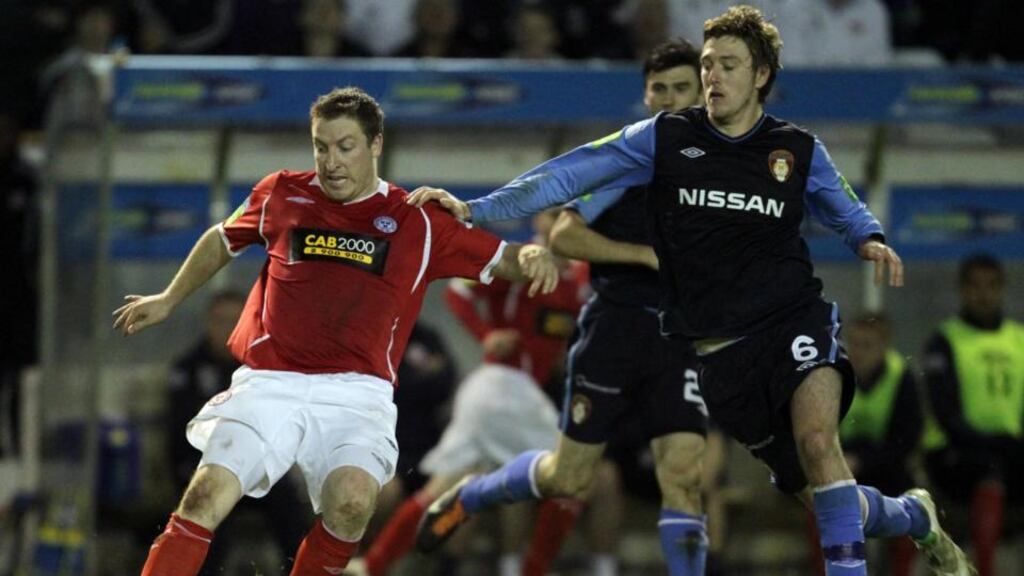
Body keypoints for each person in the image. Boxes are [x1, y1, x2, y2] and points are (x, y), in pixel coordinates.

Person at [407, 6, 975, 576]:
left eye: (727, 65)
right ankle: (912, 515)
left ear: (761, 75)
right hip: (704, 350)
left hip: (791, 322)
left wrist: (870, 239)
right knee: (825, 499)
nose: (712, 77)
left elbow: (846, 208)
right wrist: (475, 209)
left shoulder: (796, 149)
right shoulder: (664, 140)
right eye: (708, 64)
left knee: (811, 445)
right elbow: (567, 176)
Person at [112, 86, 560, 576]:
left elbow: (502, 258)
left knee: (352, 503)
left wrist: (532, 253)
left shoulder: (418, 220)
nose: (331, 162)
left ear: (375, 145)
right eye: (321, 147)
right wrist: (169, 298)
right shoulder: (281, 192)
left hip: (357, 393)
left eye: (345, 147)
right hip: (270, 381)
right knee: (205, 495)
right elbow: (223, 238)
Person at [544, 38, 718, 575]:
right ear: (645, 95)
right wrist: (641, 254)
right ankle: (480, 492)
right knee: (569, 478)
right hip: (614, 329)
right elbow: (563, 236)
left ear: (703, 94)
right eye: (658, 89)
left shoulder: (724, 167)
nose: (669, 99)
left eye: (680, 88)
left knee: (685, 475)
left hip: (677, 339)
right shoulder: (621, 161)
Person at [359, 210, 587, 576]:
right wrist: (486, 335)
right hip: (502, 388)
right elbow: (459, 290)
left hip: (515, 395)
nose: (565, 222)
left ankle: (372, 565)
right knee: (574, 477)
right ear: (539, 222)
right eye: (554, 214)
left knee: (443, 485)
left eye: (574, 214)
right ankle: (531, 568)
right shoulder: (526, 260)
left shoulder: (578, 276)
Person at [165, 290, 309, 574]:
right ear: (208, 323)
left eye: (234, 321)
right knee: (204, 505)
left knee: (290, 507)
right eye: (220, 321)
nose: (227, 328)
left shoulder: (262, 369)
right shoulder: (187, 368)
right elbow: (180, 431)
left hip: (258, 468)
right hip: (205, 467)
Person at [922, 253, 1024, 576]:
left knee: (1002, 465)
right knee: (988, 470)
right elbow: (945, 413)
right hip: (955, 452)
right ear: (963, 290)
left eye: (991, 286)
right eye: (975, 286)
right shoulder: (944, 340)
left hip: (1009, 449)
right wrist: (999, 444)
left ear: (1001, 289)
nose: (984, 294)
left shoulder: (1019, 339)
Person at [836, 313, 922, 576]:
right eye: (854, 344)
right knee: (824, 494)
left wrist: (863, 461)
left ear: (884, 347)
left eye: (867, 345)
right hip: (841, 465)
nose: (858, 353)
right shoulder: (834, 375)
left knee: (911, 499)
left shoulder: (901, 377)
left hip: (884, 465)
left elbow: (907, 439)